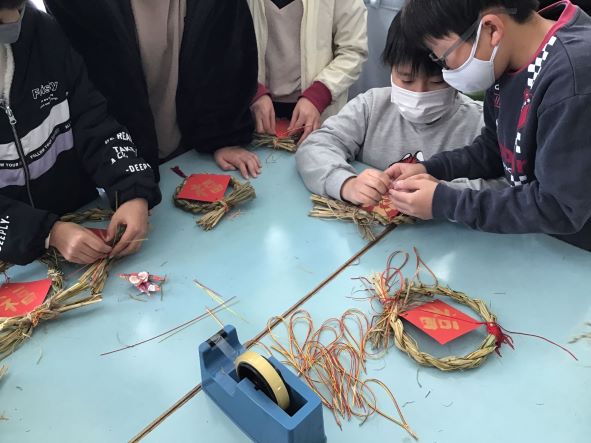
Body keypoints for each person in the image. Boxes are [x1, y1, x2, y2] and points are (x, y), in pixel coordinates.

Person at [389, 0, 591, 250]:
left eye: (444, 57)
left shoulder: (573, 79)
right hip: (539, 235)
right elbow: (495, 148)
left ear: (492, 29)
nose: (446, 69)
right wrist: (430, 168)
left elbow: (559, 207)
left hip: (577, 251)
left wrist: (446, 202)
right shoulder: (506, 58)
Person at [0, 1, 161, 265]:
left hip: (81, 219)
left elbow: (92, 118)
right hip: (13, 259)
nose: (14, 19)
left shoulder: (44, 32)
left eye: (18, 7)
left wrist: (131, 190)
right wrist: (47, 233)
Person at [44, 0, 262, 180]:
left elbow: (226, 58)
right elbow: (84, 95)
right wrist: (126, 176)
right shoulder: (77, 7)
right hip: (121, 163)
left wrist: (223, 138)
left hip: (191, 148)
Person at [296, 14, 492, 206]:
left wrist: (444, 196)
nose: (419, 93)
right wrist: (346, 184)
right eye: (406, 80)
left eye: (436, 82)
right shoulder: (371, 106)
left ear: (457, 73)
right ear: (391, 68)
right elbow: (315, 146)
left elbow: (503, 188)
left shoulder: (481, 123)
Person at [248, 0, 368, 144]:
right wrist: (252, 90)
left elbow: (352, 51)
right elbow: (228, 44)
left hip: (317, 107)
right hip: (253, 108)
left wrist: (319, 95)